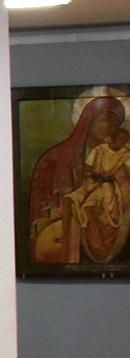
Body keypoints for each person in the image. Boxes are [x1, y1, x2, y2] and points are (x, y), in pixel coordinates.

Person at [28, 94, 128, 263]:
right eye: (104, 119)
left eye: (115, 124)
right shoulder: (58, 156)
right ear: (88, 120)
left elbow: (125, 189)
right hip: (64, 228)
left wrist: (106, 209)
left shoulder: (112, 157)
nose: (109, 128)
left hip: (95, 221)